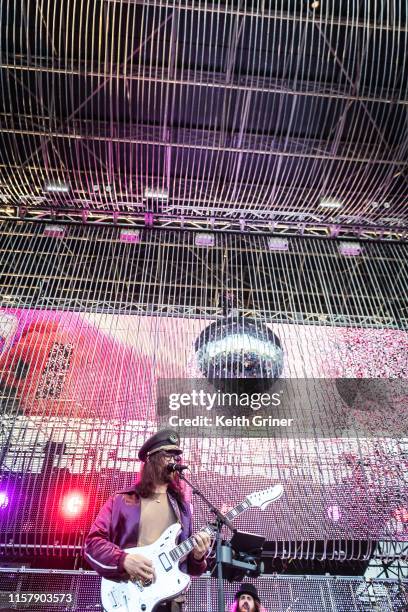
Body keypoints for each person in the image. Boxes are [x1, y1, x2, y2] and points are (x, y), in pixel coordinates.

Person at [84, 429, 211, 611]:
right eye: (168, 455)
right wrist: (123, 560)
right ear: (150, 460)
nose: (174, 460)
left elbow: (191, 569)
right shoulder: (121, 500)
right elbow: (92, 545)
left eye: (176, 456)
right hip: (127, 596)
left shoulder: (183, 508)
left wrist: (198, 557)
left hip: (170, 602)